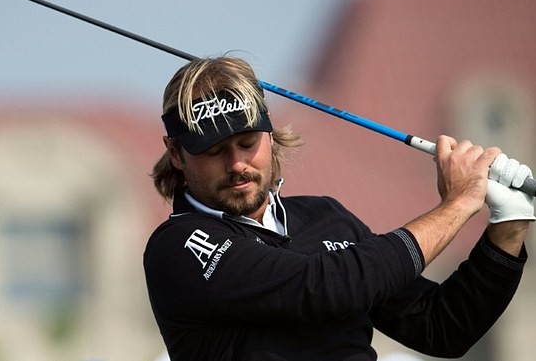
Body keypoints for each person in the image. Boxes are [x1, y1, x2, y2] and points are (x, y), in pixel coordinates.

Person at [143, 56, 534, 361]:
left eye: (247, 143)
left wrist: (508, 229)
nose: (237, 164)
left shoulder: (325, 217)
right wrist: (459, 203)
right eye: (213, 151)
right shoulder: (179, 246)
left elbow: (442, 327)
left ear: (269, 133)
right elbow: (323, 288)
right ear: (175, 153)